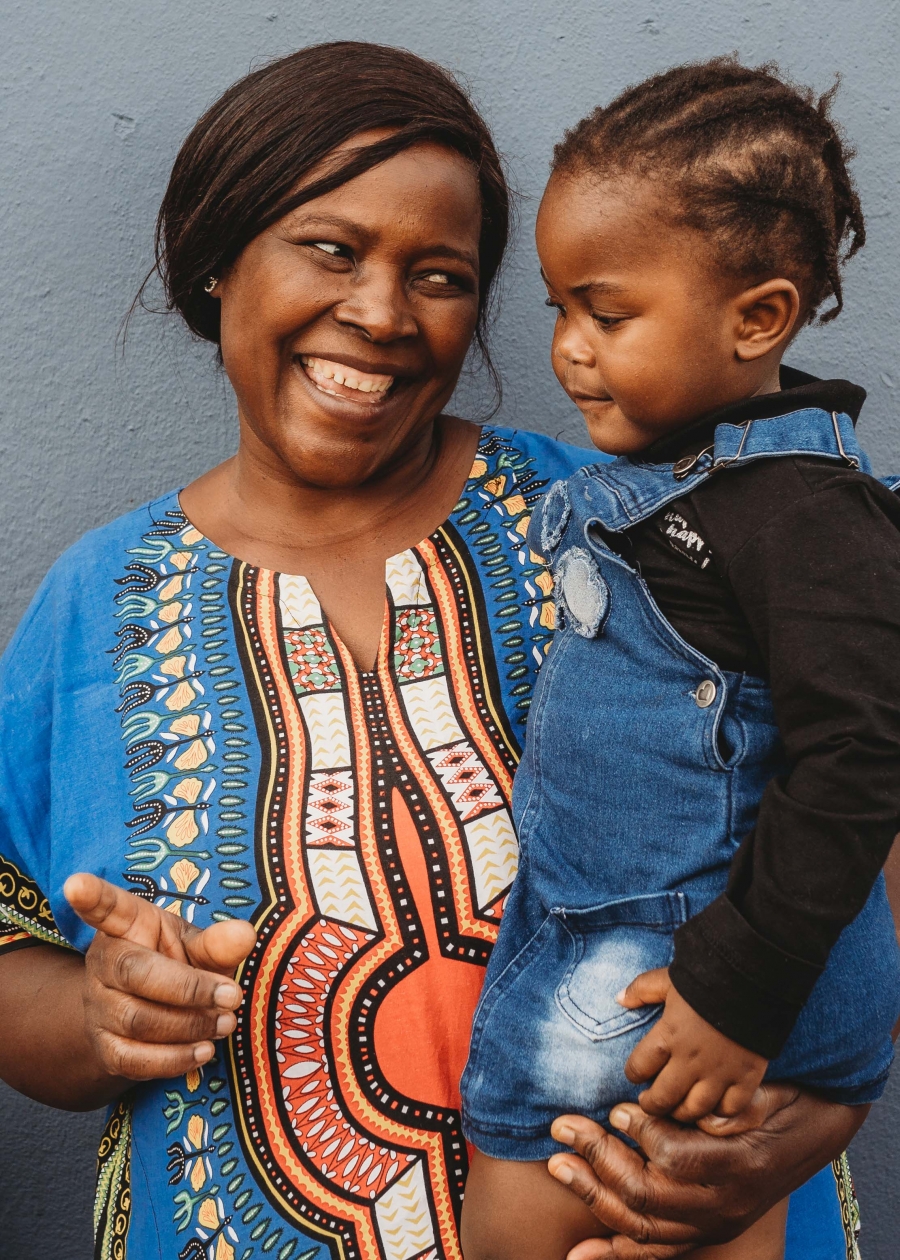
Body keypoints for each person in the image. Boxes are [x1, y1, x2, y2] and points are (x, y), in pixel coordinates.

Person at [0, 43, 874, 1260]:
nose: (380, 311)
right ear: (217, 258)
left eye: (442, 274)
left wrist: (817, 1119)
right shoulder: (90, 608)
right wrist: (96, 1017)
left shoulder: (643, 517)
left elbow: (869, 797)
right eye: (330, 248)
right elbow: (12, 968)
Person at [460, 58, 900, 1260]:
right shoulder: (680, 486)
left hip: (693, 968)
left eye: (606, 314)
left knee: (521, 1205)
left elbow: (860, 758)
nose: (569, 350)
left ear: (758, 317)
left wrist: (735, 994)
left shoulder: (806, 509)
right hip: (655, 937)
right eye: (557, 308)